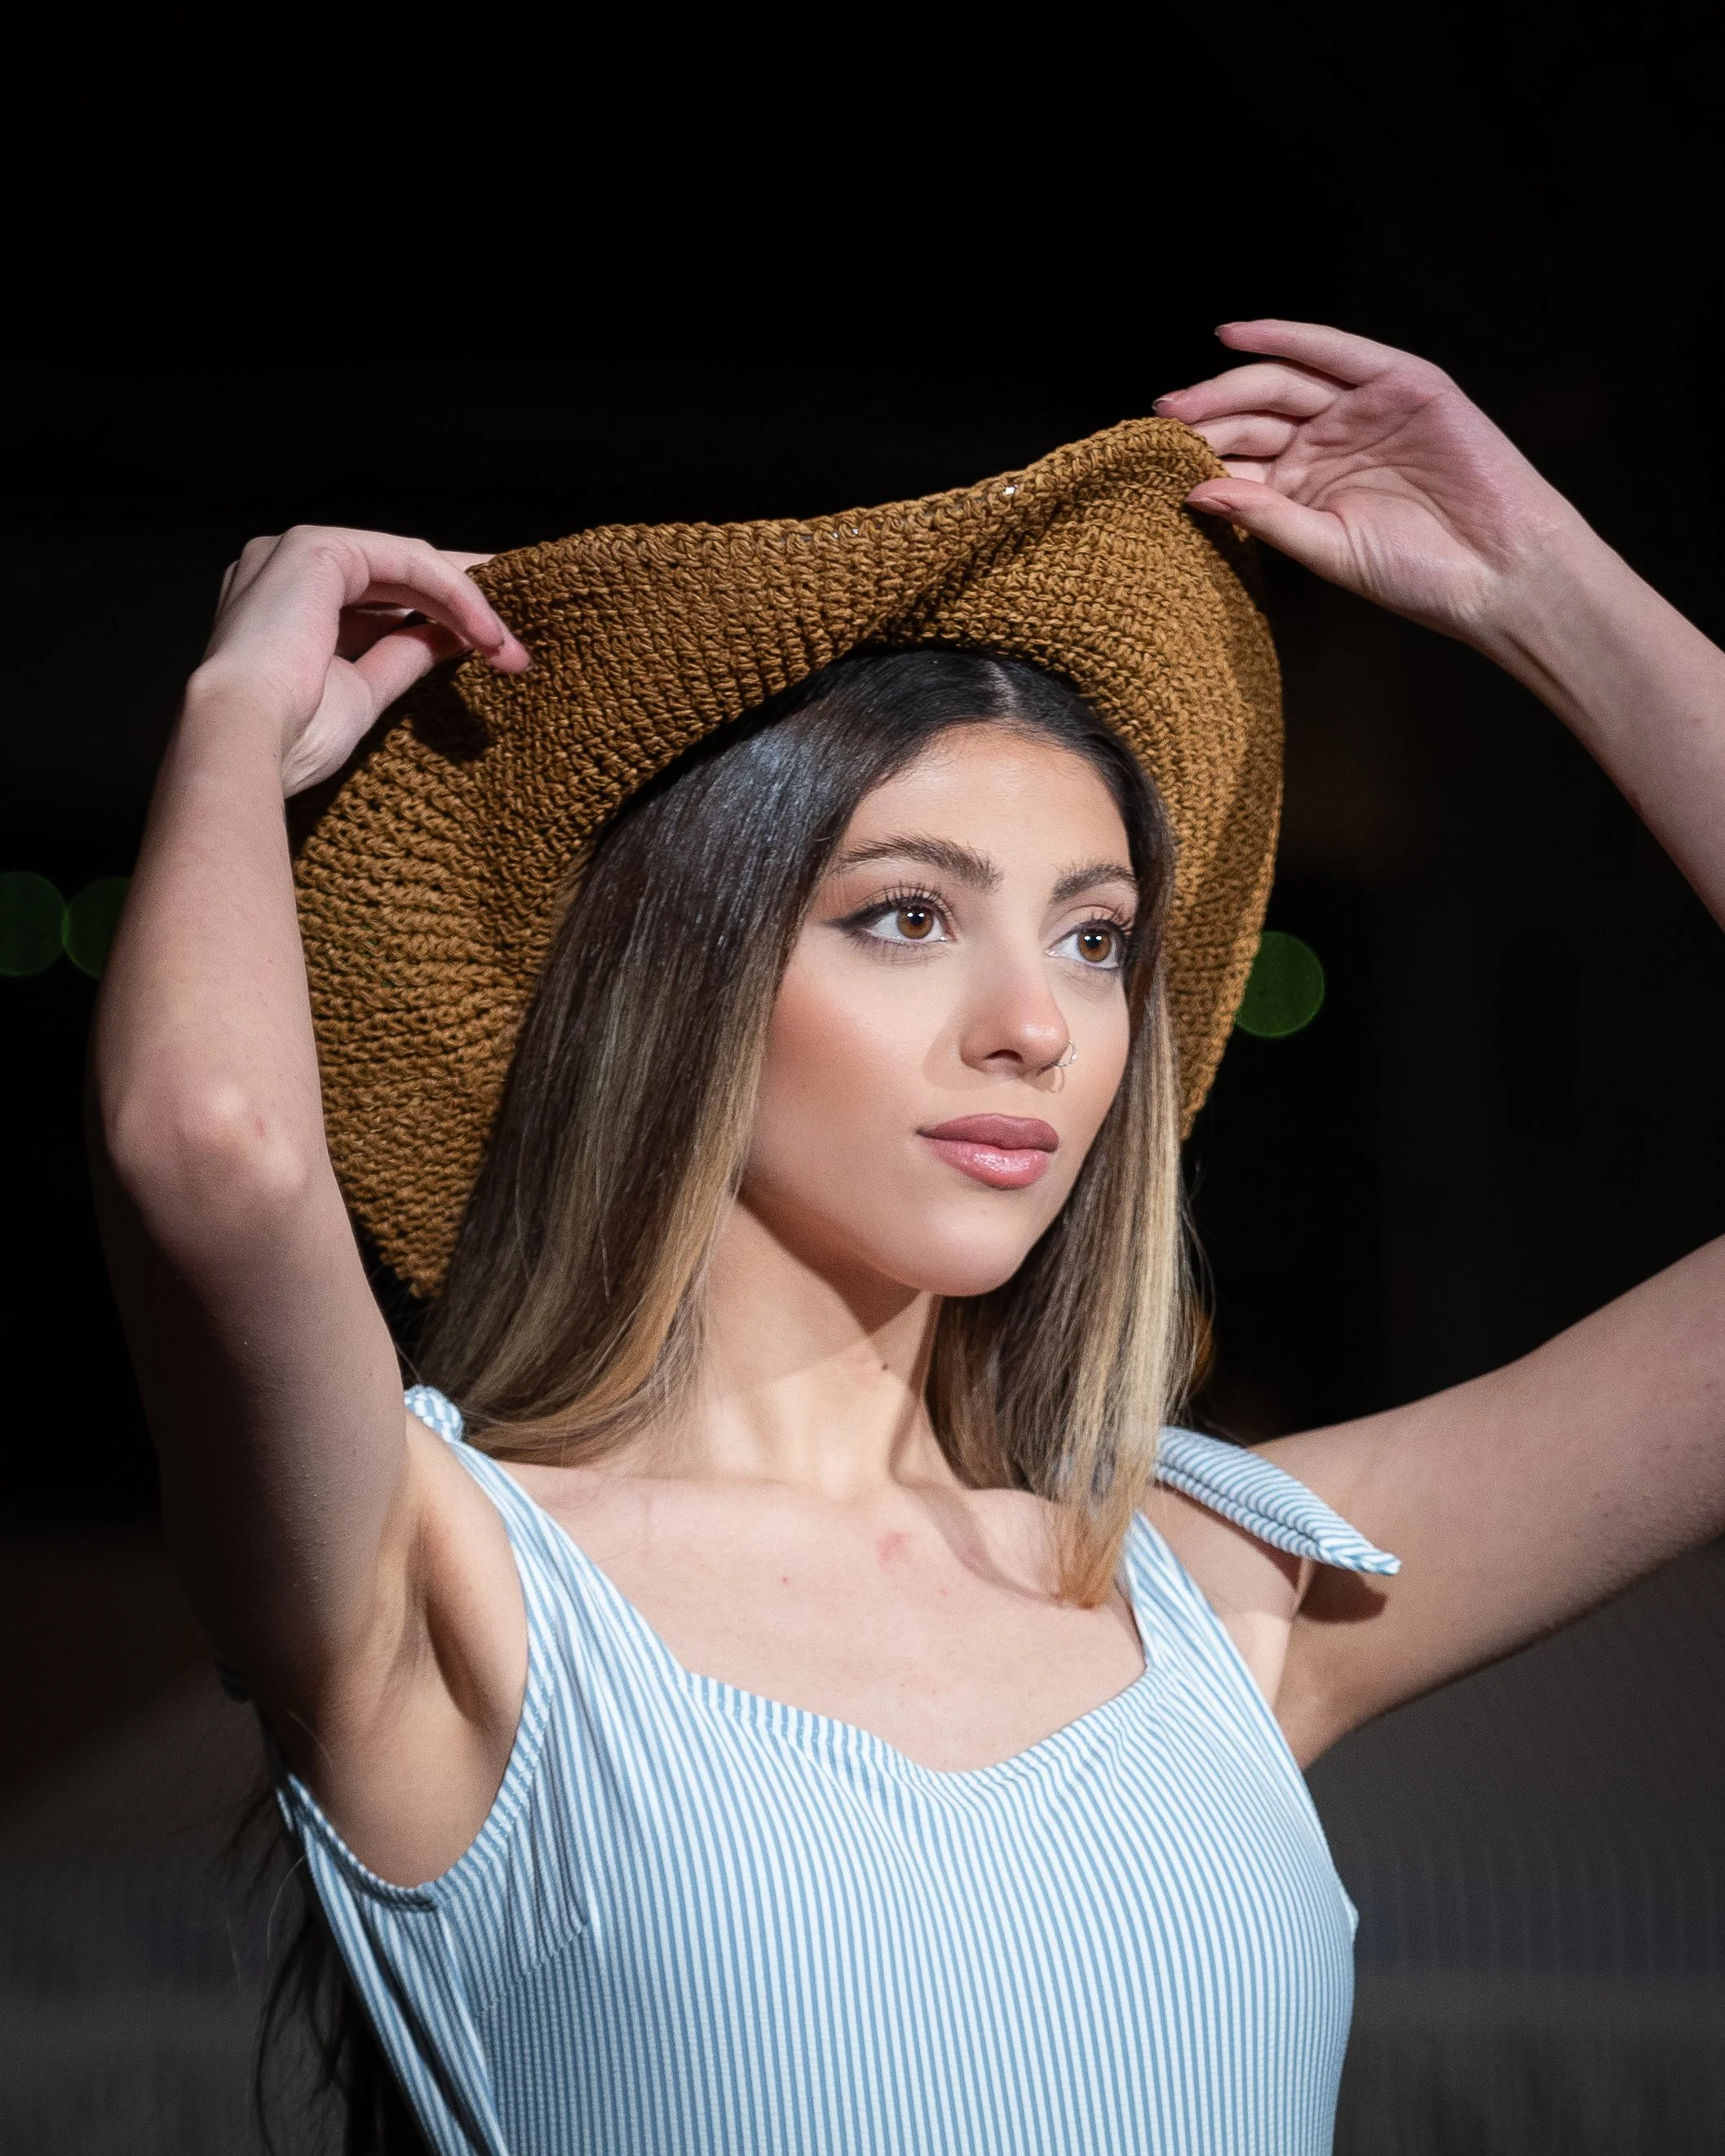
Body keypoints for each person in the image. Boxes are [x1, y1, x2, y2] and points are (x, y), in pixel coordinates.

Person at [91, 320, 1725, 2155]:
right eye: (904, 916)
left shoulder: (1212, 1592)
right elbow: (214, 1146)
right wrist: (231, 721)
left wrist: (1547, 591)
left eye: (1096, 936)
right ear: (685, 980)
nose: (1037, 1018)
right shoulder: (445, 1580)